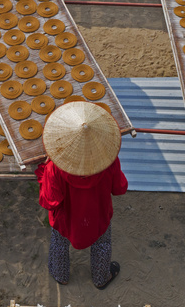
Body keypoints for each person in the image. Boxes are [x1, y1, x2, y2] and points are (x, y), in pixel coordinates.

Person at [36, 101, 127, 289]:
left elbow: (50, 202)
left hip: (66, 220)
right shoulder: (108, 161)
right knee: (102, 244)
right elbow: (120, 188)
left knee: (60, 244)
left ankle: (60, 275)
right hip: (98, 216)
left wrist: (45, 174)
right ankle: (101, 278)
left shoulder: (54, 167)